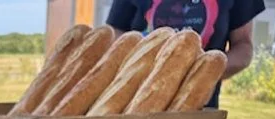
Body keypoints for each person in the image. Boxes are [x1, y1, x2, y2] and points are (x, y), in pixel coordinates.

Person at [106, 0, 266, 106]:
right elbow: (116, 35)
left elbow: (243, 47)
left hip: (196, 108)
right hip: (134, 103)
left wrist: (202, 73)